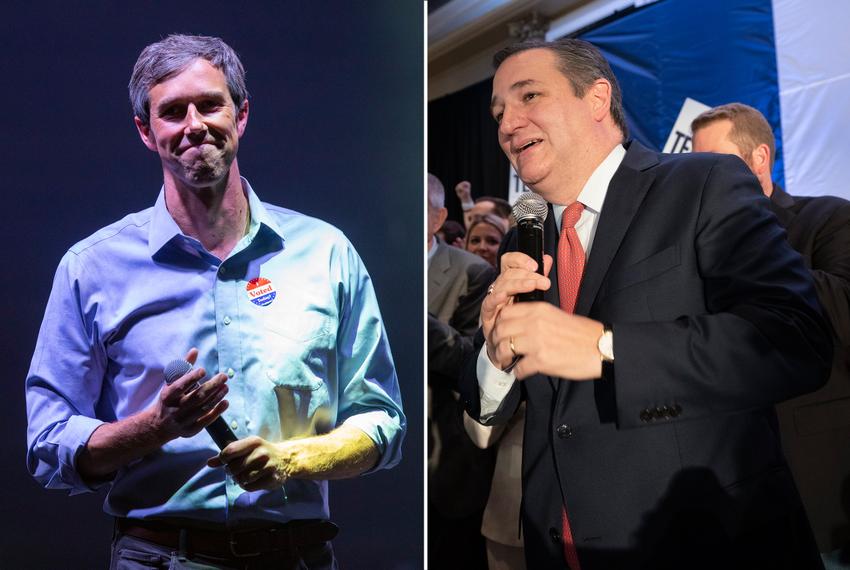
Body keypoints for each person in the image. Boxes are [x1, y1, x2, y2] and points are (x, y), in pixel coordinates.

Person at [25, 34, 405, 570]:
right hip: (157, 556)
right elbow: (48, 441)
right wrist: (156, 426)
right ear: (145, 130)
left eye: (209, 104)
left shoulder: (326, 253)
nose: (193, 125)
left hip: (297, 556)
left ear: (241, 114)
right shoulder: (92, 268)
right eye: (172, 111)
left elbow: (381, 422)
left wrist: (292, 459)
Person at [459, 38, 832, 569]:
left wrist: (607, 347)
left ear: (596, 99)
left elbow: (796, 338)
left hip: (700, 545)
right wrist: (494, 357)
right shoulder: (526, 239)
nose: (507, 124)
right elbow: (479, 425)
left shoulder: (702, 183)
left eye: (529, 97)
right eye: (498, 112)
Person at [692, 102, 850, 566]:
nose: (701, 177)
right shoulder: (694, 247)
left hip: (819, 482)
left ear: (759, 158)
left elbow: (843, 309)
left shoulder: (827, 218)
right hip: (727, 489)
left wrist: (747, 238)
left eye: (713, 162)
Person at [428, 173, 497, 569]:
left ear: (438, 219)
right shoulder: (369, 265)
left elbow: (471, 364)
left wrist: (412, 314)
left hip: (446, 461)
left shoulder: (473, 273)